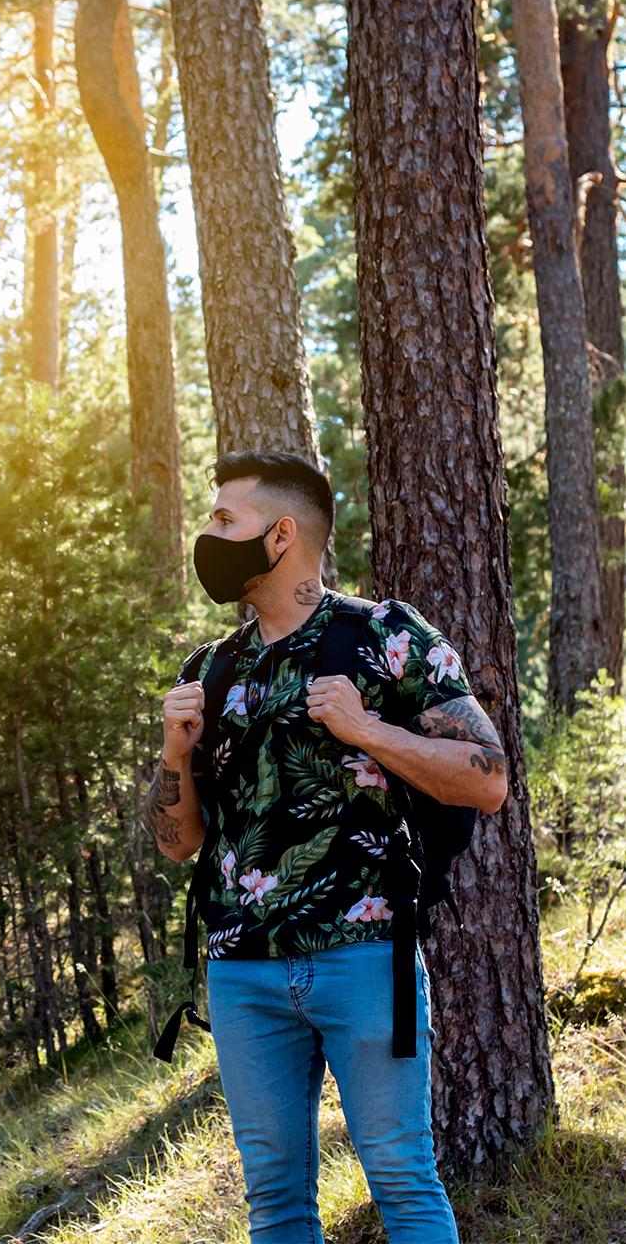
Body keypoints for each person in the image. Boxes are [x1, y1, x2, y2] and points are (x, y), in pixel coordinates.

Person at [147, 450, 508, 1244]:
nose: (208, 537)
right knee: (274, 1200)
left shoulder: (383, 635)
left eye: (223, 521)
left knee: (403, 1179)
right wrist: (175, 754)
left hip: (366, 955)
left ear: (280, 536)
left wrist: (366, 729)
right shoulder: (210, 670)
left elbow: (488, 778)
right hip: (242, 972)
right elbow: (179, 845)